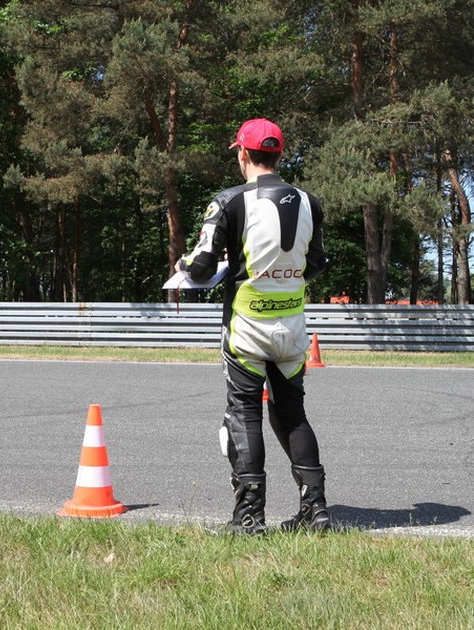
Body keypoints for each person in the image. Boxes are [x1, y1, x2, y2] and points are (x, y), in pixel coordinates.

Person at [175, 118, 330, 534]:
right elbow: (316, 263)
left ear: (243, 154)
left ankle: (248, 517)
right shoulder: (310, 202)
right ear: (279, 155)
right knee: (292, 414)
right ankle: (316, 511)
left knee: (243, 414)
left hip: (247, 325)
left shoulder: (229, 200)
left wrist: (183, 266)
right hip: (292, 326)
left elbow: (203, 263)